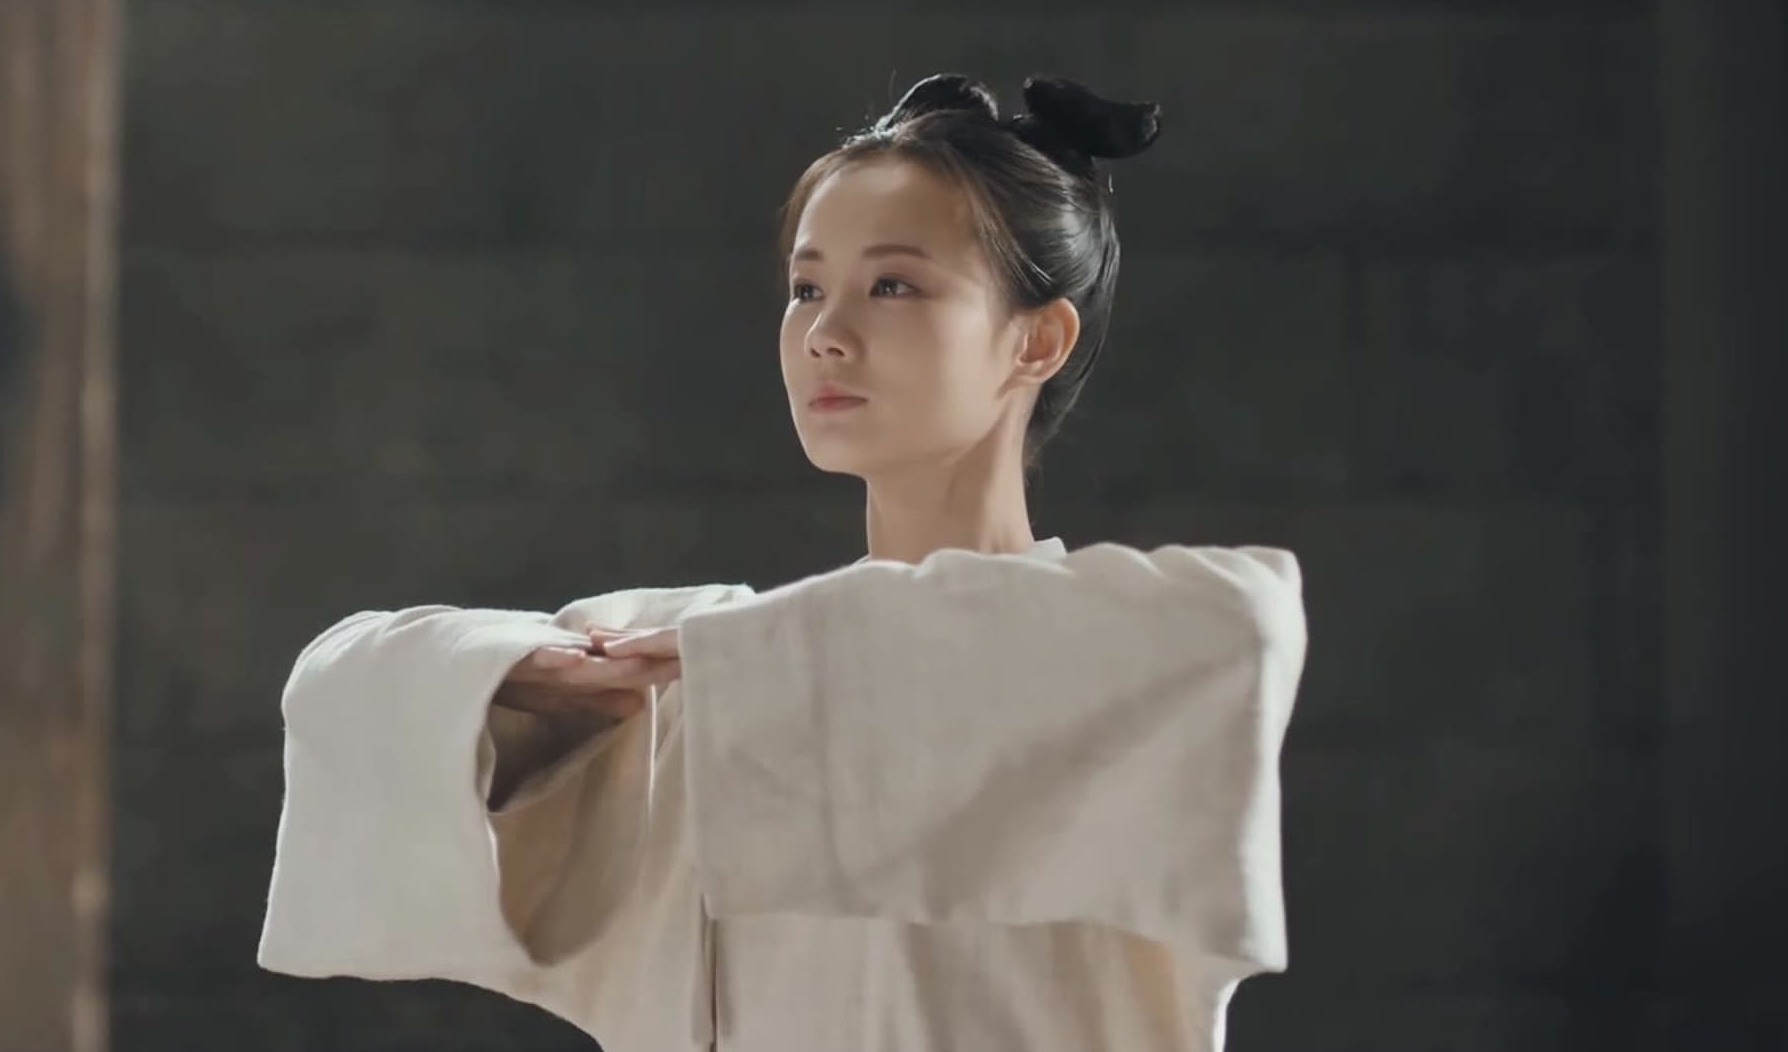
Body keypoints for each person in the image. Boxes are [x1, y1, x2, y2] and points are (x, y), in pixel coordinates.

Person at [258, 73, 1309, 1052]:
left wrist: (751, 665)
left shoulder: (1111, 675)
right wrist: (516, 684)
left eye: (893, 285)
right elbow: (341, 679)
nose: (826, 335)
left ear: (1036, 340)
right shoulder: (715, 677)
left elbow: (1244, 623)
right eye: (807, 289)